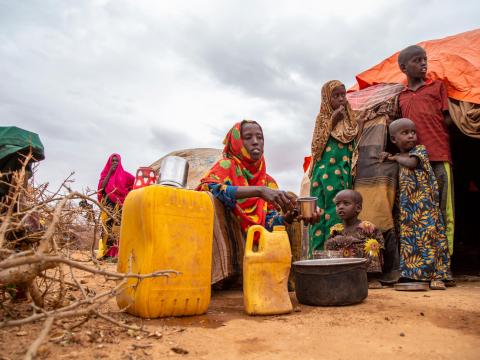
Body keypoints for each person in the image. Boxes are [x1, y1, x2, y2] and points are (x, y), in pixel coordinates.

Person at [197, 120, 318, 233]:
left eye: (260, 137)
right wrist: (259, 191)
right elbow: (207, 188)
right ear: (236, 142)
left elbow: (267, 226)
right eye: (248, 137)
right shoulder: (227, 166)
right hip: (225, 246)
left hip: (254, 251)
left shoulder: (268, 182)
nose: (255, 141)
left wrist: (289, 217)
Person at [397, 45, 455, 262]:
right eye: (417, 60)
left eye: (425, 59)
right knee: (418, 212)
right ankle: (421, 261)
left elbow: (448, 118)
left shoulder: (437, 87)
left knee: (444, 210)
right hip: (413, 161)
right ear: (404, 67)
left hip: (439, 155)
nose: (424, 63)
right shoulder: (400, 96)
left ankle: (445, 260)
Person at [380, 118, 451, 290]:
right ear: (394, 139)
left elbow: (411, 163)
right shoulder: (398, 157)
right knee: (411, 242)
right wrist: (389, 157)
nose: (412, 136)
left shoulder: (419, 151)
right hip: (409, 212)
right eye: (405, 133)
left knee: (430, 240)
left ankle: (437, 276)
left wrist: (394, 157)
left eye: (413, 132)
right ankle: (413, 275)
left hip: (425, 209)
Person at [309, 80, 358, 253]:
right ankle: (317, 258)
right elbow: (316, 148)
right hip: (324, 175)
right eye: (335, 96)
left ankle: (338, 259)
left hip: (344, 175)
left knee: (342, 215)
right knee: (322, 217)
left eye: (343, 95)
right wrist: (332, 121)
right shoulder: (323, 119)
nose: (341, 99)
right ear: (326, 99)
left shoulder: (351, 118)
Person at [325, 189, 384, 289]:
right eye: (338, 204)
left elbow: (380, 243)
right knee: (331, 244)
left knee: (372, 244)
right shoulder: (336, 229)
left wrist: (353, 241)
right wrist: (336, 241)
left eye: (346, 203)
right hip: (344, 266)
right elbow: (327, 246)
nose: (341, 207)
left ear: (358, 208)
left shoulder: (366, 226)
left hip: (363, 265)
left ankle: (372, 278)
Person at [97, 153, 134, 259]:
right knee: (106, 228)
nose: (114, 162)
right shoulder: (105, 173)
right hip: (108, 204)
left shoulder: (125, 175)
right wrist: (110, 172)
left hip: (120, 205)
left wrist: (128, 193)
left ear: (120, 162)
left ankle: (116, 255)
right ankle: (105, 254)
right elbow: (102, 188)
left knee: (117, 229)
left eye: (116, 161)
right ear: (109, 162)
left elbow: (134, 183)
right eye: (112, 161)